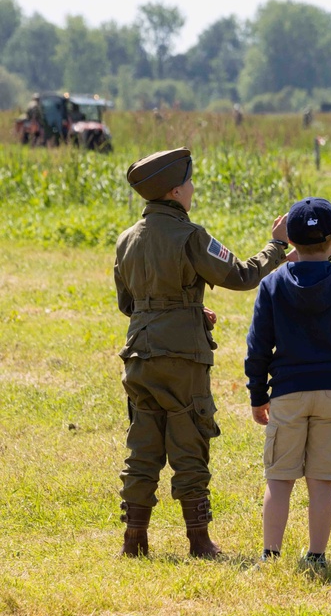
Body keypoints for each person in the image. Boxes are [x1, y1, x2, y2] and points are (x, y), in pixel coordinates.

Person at [114, 147, 289, 558]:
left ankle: (134, 539)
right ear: (176, 191)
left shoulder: (126, 240)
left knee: (142, 447)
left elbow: (129, 303)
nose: (192, 190)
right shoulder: (191, 236)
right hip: (181, 357)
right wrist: (276, 245)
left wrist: (183, 306)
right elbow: (243, 275)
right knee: (189, 442)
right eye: (189, 184)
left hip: (138, 354)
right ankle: (198, 540)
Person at [245, 197, 331, 566]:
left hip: (287, 394)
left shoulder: (272, 285)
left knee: (280, 478)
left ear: (289, 241)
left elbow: (257, 346)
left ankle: (271, 554)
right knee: (321, 480)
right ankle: (316, 556)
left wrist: (258, 395)